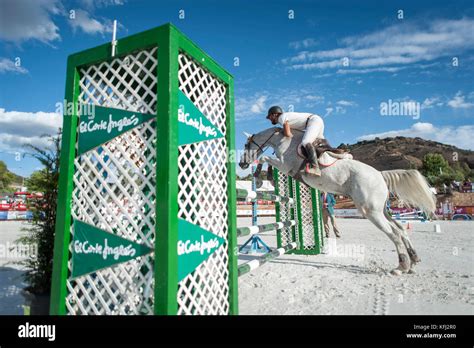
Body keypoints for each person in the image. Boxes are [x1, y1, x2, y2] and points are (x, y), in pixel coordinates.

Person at [266, 106, 325, 176]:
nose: (269, 119)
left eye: (270, 116)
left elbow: (288, 134)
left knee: (305, 142)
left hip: (313, 121)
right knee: (320, 143)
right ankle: (337, 151)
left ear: (274, 114)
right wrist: (282, 130)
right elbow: (291, 132)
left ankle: (315, 167)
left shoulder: (281, 117)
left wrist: (281, 132)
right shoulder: (285, 117)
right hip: (314, 121)